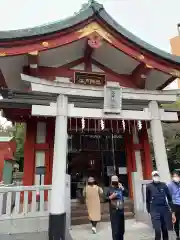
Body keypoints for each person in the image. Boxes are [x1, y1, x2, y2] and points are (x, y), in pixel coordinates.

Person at [146, 171, 176, 240]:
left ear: (159, 176)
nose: (156, 177)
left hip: (164, 209)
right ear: (152, 177)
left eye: (157, 175)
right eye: (154, 175)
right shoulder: (149, 186)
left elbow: (169, 198)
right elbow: (147, 200)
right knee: (157, 230)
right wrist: (149, 211)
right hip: (154, 209)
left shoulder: (164, 185)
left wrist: (172, 211)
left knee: (165, 229)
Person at [105, 175, 126, 240]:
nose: (115, 181)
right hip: (114, 213)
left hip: (121, 212)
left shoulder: (120, 188)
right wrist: (110, 197)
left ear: (118, 180)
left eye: (116, 180)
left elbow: (127, 193)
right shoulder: (109, 189)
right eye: (113, 180)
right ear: (111, 181)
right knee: (115, 231)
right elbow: (104, 198)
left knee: (121, 231)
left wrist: (122, 188)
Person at [168, 171, 180, 240]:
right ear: (172, 177)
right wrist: (171, 209)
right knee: (176, 221)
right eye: (174, 176)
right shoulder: (170, 185)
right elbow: (169, 197)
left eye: (177, 176)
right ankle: (178, 236)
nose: (176, 177)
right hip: (175, 205)